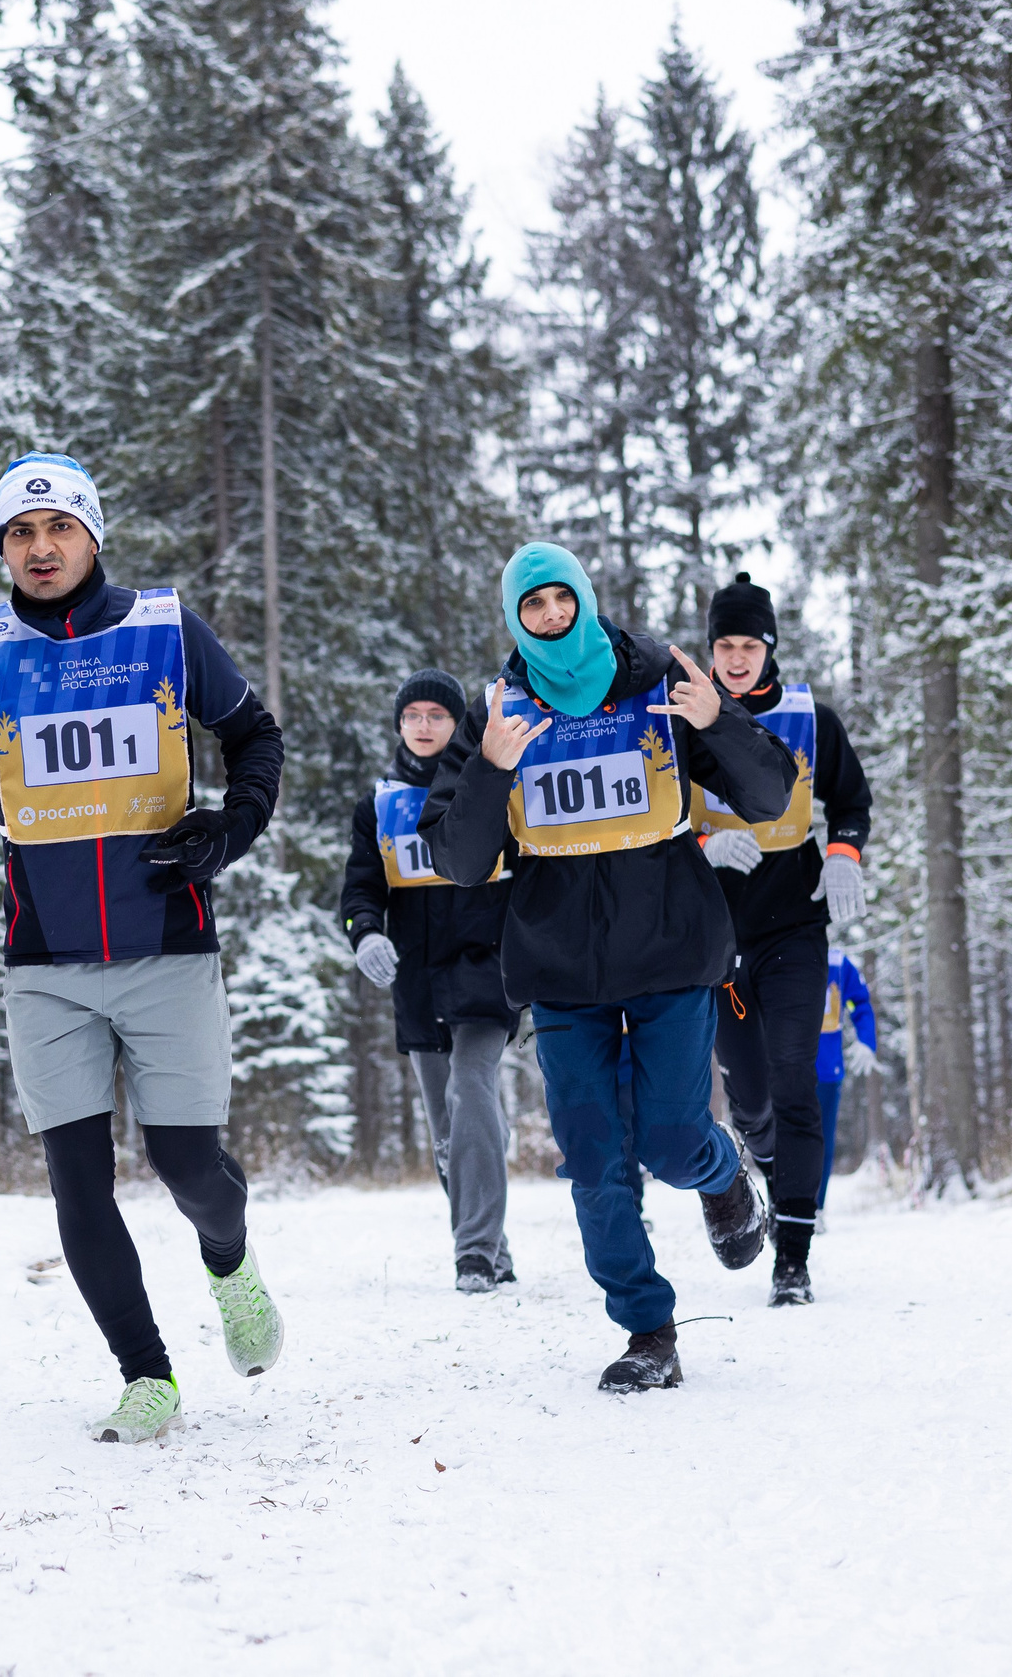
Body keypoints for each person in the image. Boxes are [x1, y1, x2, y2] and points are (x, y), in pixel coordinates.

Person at [0, 453, 287, 1445]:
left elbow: (255, 736)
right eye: (20, 532)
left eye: (59, 528)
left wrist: (232, 827)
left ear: (93, 536)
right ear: (3, 549)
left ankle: (230, 1264)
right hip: (45, 964)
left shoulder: (163, 628)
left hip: (167, 945)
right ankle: (146, 1374)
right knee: (77, 1180)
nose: (40, 547)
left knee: (191, 1170)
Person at [420, 542, 796, 1393]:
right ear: (515, 618)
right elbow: (459, 860)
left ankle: (723, 1172)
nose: (551, 614)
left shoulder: (659, 677)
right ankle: (647, 1329)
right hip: (561, 972)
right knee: (594, 1158)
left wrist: (717, 721)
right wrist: (489, 768)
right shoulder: (500, 710)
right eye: (533, 605)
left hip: (670, 948)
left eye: (562, 597)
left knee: (671, 1138)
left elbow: (770, 795)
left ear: (585, 599)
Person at [692, 573, 874, 1305]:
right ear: (710, 650)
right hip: (719, 933)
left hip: (796, 922)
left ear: (769, 649)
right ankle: (768, 1163)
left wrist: (843, 853)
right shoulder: (680, 718)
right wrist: (703, 843)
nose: (737, 659)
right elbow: (654, 816)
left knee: (796, 1073)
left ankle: (793, 1256)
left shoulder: (809, 718)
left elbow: (851, 800)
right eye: (725, 646)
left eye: (750, 645)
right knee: (751, 1095)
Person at [338, 669, 518, 1294]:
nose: (423, 725)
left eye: (436, 715)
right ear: (398, 725)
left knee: (471, 1088)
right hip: (416, 979)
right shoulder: (378, 804)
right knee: (448, 1131)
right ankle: (494, 1243)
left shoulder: (488, 785)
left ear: (456, 723)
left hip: (486, 971)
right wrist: (366, 933)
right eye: (412, 715)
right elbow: (361, 887)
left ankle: (474, 1254)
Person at [814, 944, 879, 1225]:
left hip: (827, 1068)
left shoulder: (837, 962)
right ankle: (782, 1207)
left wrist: (867, 1040)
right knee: (781, 1137)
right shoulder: (777, 948)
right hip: (781, 1066)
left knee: (822, 1140)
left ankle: (815, 1208)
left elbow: (859, 1002)